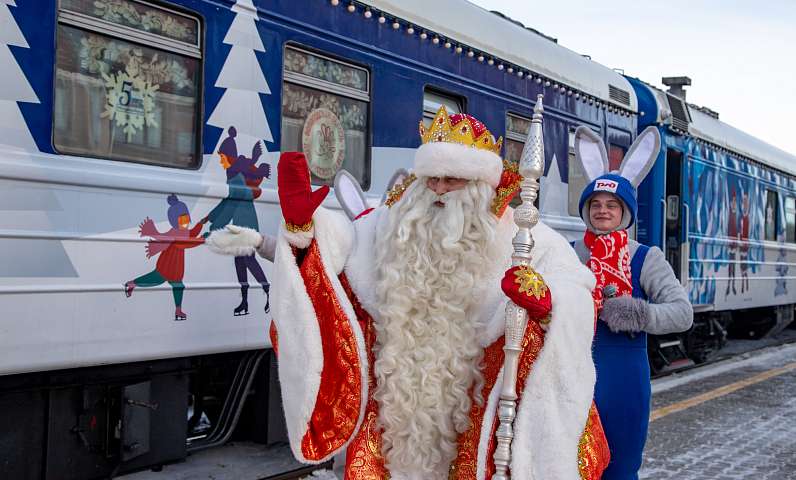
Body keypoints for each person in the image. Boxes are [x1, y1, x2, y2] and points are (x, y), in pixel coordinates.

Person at [210, 107, 609, 479]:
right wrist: (291, 233)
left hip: (478, 413)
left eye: (451, 179)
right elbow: (329, 261)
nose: (437, 190)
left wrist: (547, 300)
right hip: (396, 414)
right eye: (431, 178)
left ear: (478, 185)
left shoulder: (527, 238)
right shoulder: (387, 224)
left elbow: (580, 294)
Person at [571, 126, 693, 480]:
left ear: (625, 212)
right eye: (595, 204)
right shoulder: (569, 254)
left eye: (612, 205)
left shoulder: (645, 257)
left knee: (619, 466)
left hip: (623, 373)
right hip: (570, 370)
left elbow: (682, 313)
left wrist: (633, 313)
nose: (602, 211)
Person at [205, 126, 272, 315]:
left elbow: (230, 205)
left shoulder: (235, 176)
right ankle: (245, 301)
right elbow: (228, 201)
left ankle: (269, 292)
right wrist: (209, 218)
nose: (220, 160)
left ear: (229, 157)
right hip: (243, 221)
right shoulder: (233, 174)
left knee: (247, 260)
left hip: (245, 223)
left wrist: (214, 227)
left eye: (222, 156)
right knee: (240, 262)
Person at [124, 194, 206, 321]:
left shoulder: (184, 231)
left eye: (186, 218)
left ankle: (178, 310)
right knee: (155, 280)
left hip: (176, 268)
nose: (185, 222)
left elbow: (192, 234)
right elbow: (186, 243)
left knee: (178, 286)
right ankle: (131, 284)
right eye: (181, 219)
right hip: (167, 266)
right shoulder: (174, 233)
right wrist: (202, 239)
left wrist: (201, 223)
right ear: (174, 220)